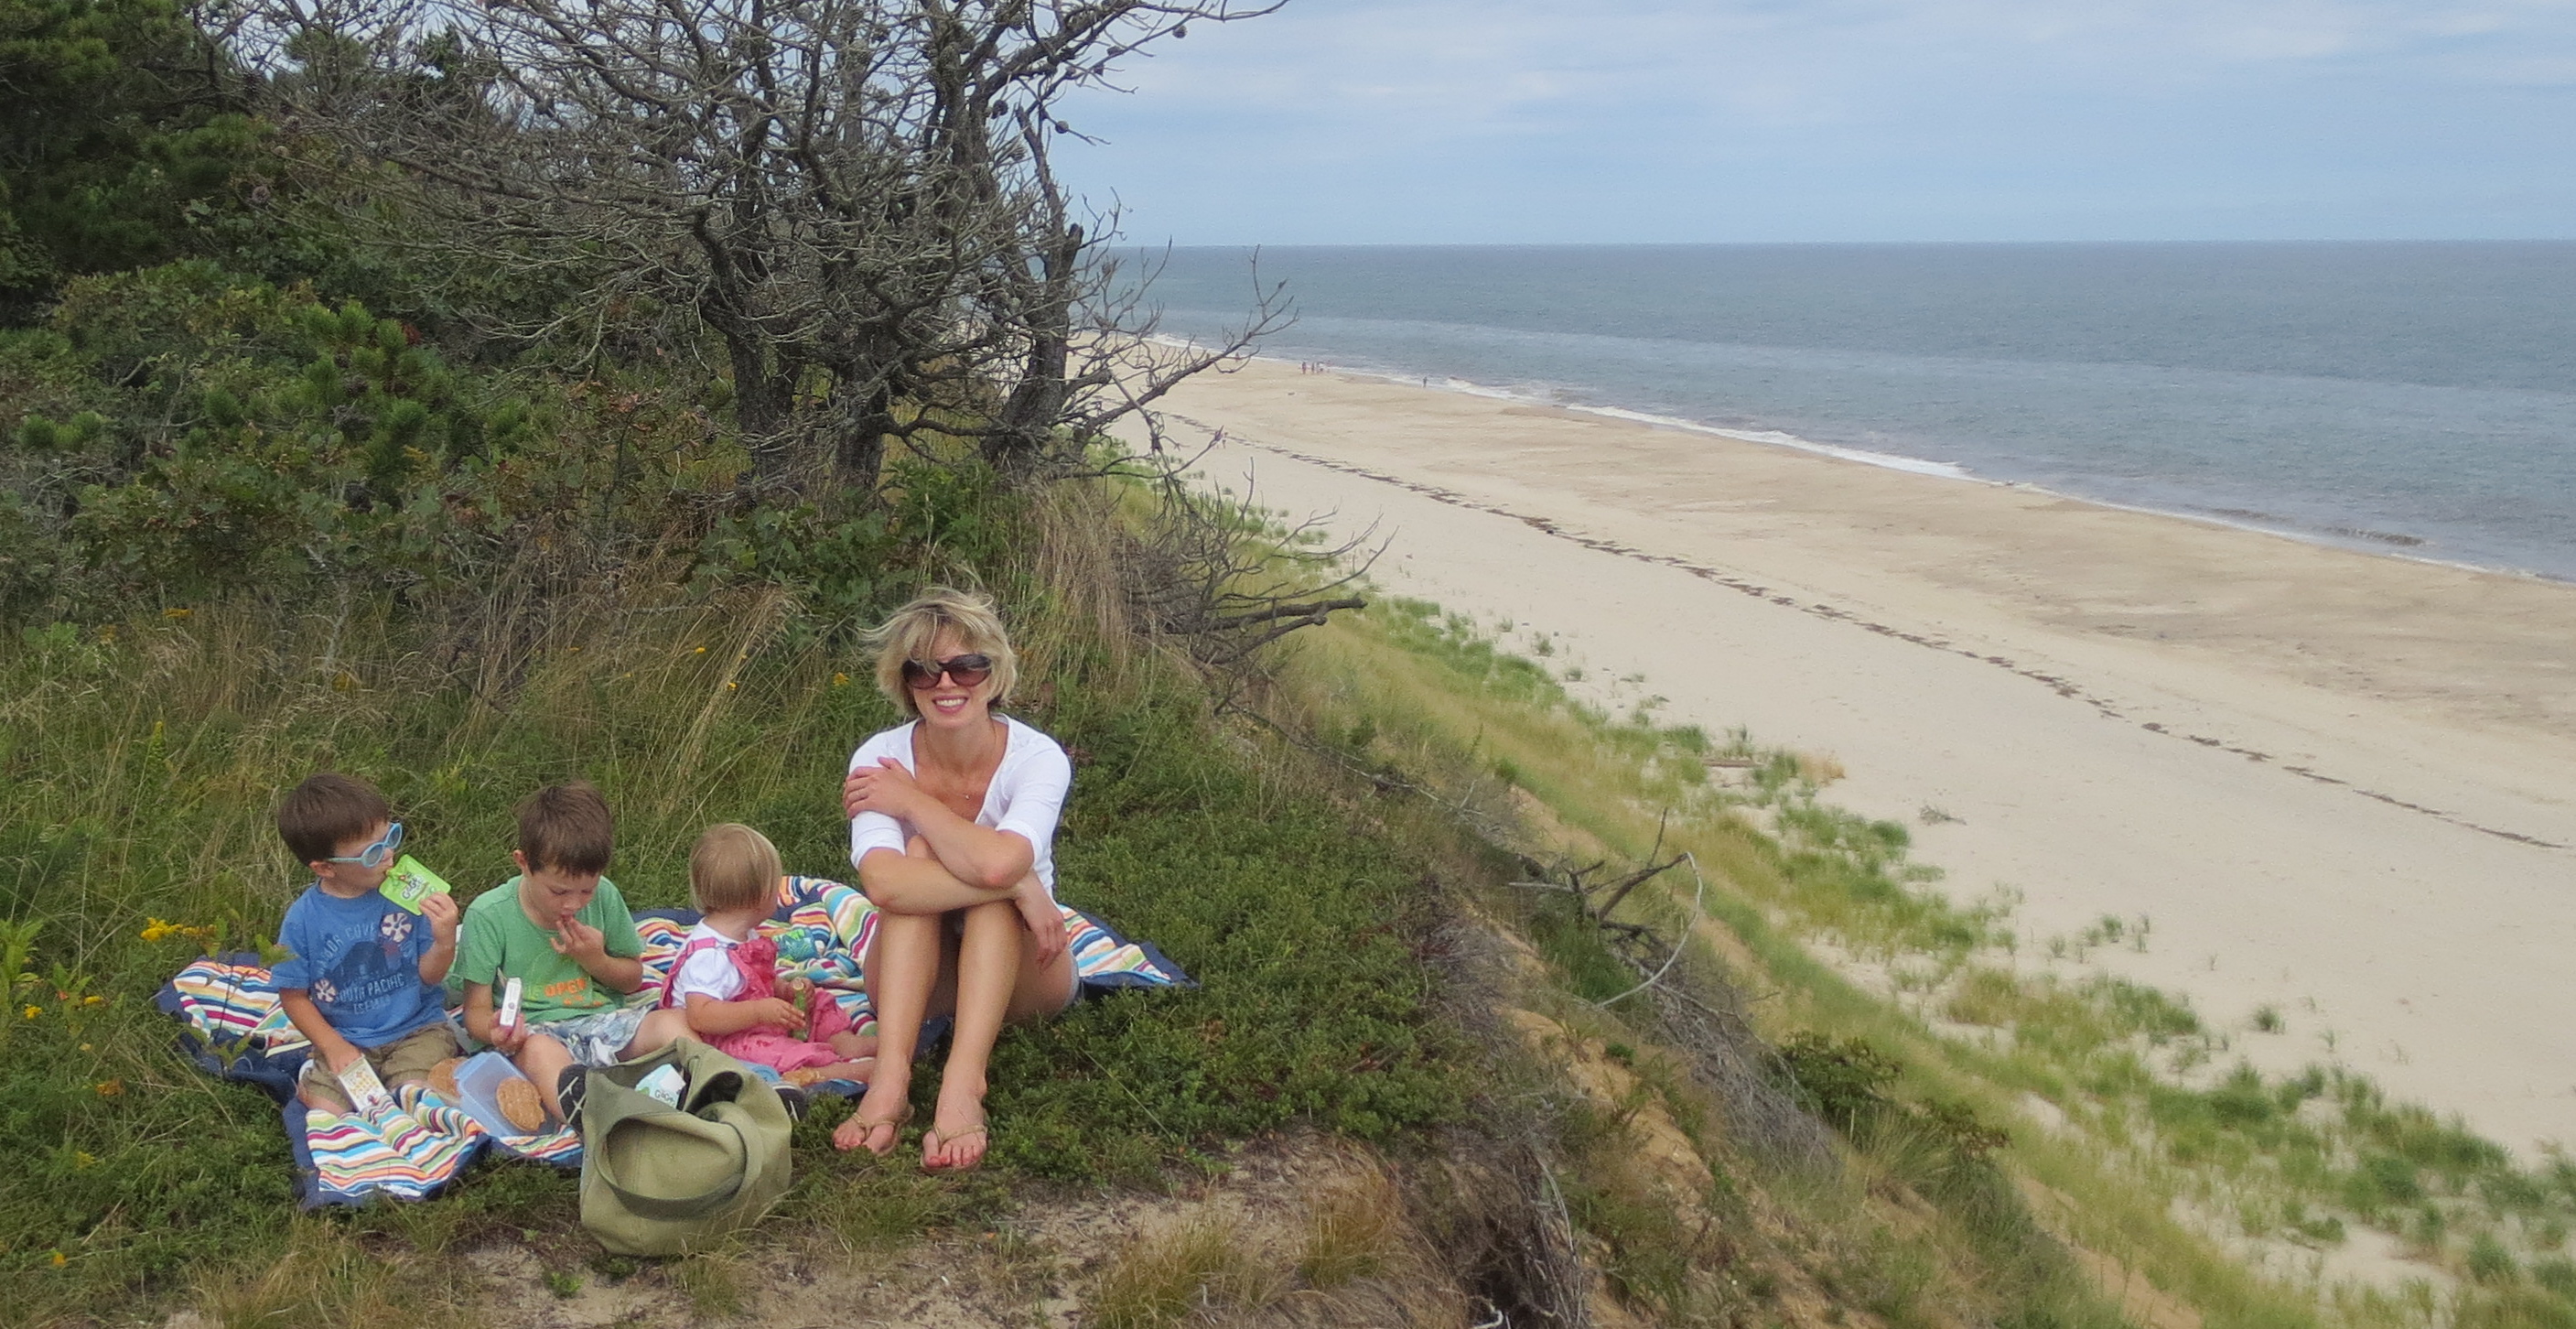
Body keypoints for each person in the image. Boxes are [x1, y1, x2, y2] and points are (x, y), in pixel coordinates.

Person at [832, 588, 1076, 1172]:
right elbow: (885, 885)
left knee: (984, 895)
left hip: (1025, 977)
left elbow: (996, 864)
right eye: (924, 669)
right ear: (904, 682)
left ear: (994, 674)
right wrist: (1020, 883)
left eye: (967, 666)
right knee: (924, 862)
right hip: (918, 980)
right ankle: (890, 1080)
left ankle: (963, 1084)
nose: (946, 683)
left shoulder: (1037, 758)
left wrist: (912, 802)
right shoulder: (879, 758)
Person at [453, 782, 688, 1121]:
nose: (574, 904)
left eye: (586, 891)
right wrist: (495, 1031)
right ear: (523, 863)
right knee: (540, 1053)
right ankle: (596, 1121)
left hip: (602, 1024)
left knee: (672, 1023)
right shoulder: (489, 915)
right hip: (534, 1031)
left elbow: (632, 980)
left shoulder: (605, 896)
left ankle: (723, 1085)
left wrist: (596, 960)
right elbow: (475, 1010)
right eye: (559, 891)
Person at [271, 773, 461, 1113]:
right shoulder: (303, 920)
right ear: (325, 868)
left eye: (389, 837)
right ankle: (316, 1085)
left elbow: (429, 977)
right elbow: (293, 996)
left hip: (418, 1028)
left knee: (416, 1099)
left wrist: (444, 942)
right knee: (327, 1111)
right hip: (347, 1037)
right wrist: (331, 1045)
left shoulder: (407, 895)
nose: (389, 854)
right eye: (373, 852)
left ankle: (401, 1097)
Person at [657, 823, 878, 1087]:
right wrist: (758, 1012)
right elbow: (700, 1016)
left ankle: (846, 1043)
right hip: (722, 1040)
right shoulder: (709, 956)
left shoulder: (745, 935)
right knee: (771, 1053)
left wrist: (785, 991)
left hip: (758, 1020)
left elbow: (759, 980)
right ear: (762, 897)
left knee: (818, 1001)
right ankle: (827, 1072)